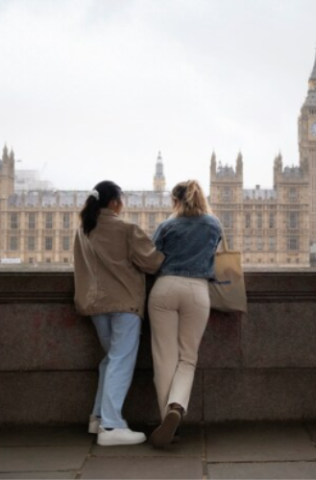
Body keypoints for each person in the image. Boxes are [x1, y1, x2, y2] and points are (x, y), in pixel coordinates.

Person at [73, 180, 164, 446]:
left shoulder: (83, 230)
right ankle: (112, 426)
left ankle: (98, 417)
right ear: (114, 202)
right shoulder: (126, 228)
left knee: (110, 360)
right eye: (121, 201)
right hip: (124, 303)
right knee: (121, 360)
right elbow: (153, 262)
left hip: (95, 304)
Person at [148, 179, 221, 447]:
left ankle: (168, 422)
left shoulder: (167, 225)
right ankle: (176, 406)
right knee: (187, 358)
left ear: (175, 201)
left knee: (164, 359)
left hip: (165, 288)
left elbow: (152, 258)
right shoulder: (213, 224)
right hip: (197, 291)